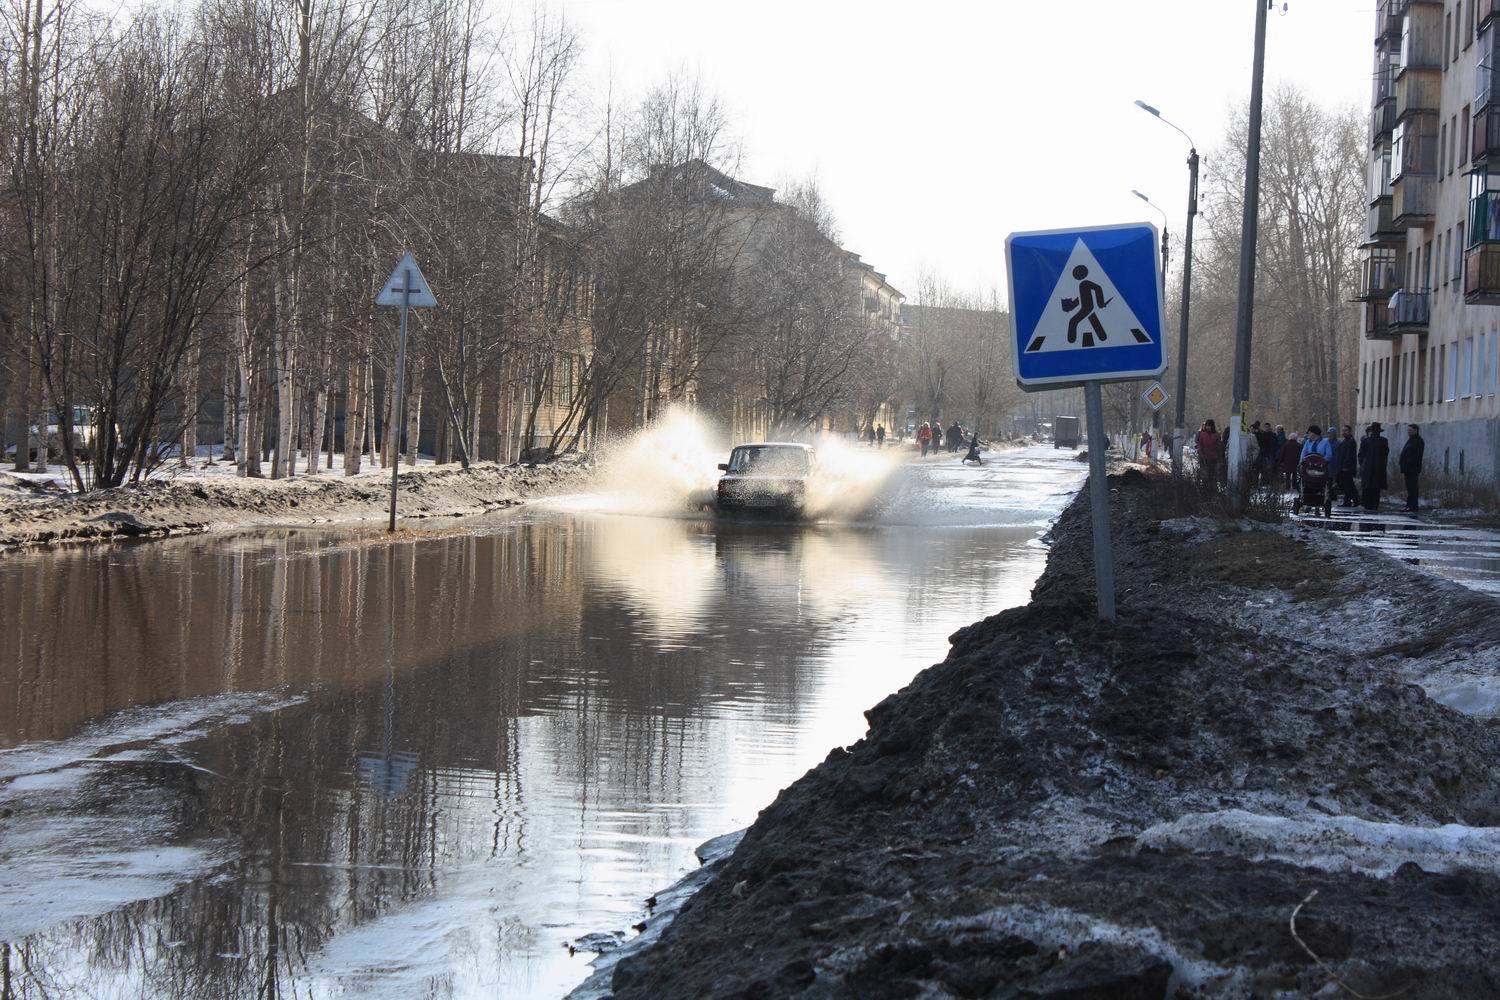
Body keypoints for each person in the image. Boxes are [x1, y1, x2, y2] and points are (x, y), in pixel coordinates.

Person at [1358, 422, 1390, 511]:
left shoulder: (1366, 441)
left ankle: (1367, 504)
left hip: (1368, 468)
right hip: (1378, 468)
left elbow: (1361, 455)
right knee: (1376, 488)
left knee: (1367, 487)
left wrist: (1363, 464)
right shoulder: (1383, 441)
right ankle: (1374, 505)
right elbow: (1385, 454)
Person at [1399, 423, 1425, 512]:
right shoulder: (1411, 440)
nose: (1408, 432)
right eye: (1408, 430)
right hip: (1408, 468)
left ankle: (1413, 506)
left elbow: (1416, 456)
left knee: (1413, 488)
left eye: (1410, 430)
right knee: (1409, 488)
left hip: (1413, 469)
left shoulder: (1418, 441)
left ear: (1415, 430)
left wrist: (1408, 463)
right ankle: (1409, 505)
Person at [1332, 425, 1359, 507]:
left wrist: (1346, 466)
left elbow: (1350, 455)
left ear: (1349, 431)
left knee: (1347, 485)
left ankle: (1348, 501)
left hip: (1347, 468)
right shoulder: (1345, 441)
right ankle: (1356, 500)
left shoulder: (1351, 441)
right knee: (1348, 485)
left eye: (1346, 430)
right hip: (1342, 466)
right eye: (1343, 430)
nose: (1344, 432)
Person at [1195, 419, 1222, 483]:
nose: (1208, 427)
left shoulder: (1217, 435)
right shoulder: (1202, 434)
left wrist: (1220, 459)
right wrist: (1201, 454)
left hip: (1213, 458)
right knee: (1204, 475)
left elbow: (1219, 447)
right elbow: (1200, 445)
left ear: (1212, 426)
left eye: (1209, 426)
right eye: (1207, 426)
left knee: (1212, 475)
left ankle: (1211, 489)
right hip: (1204, 458)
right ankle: (1205, 488)